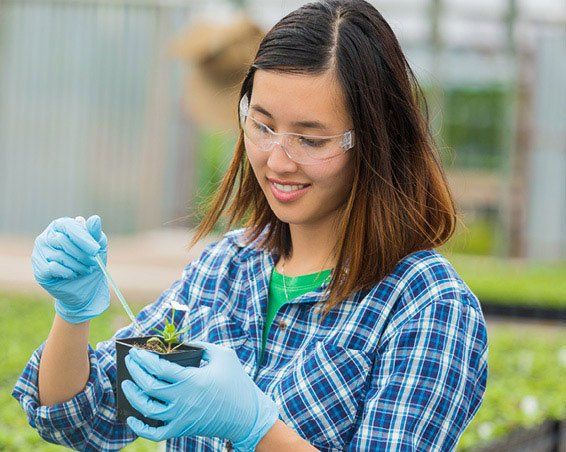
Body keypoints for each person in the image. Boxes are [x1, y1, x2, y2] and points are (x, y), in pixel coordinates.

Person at [13, 1, 488, 450]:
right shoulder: (226, 270)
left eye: (310, 138)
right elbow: (82, 418)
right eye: (261, 126)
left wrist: (254, 426)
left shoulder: (426, 305)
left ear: (377, 139)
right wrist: (73, 314)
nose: (277, 161)